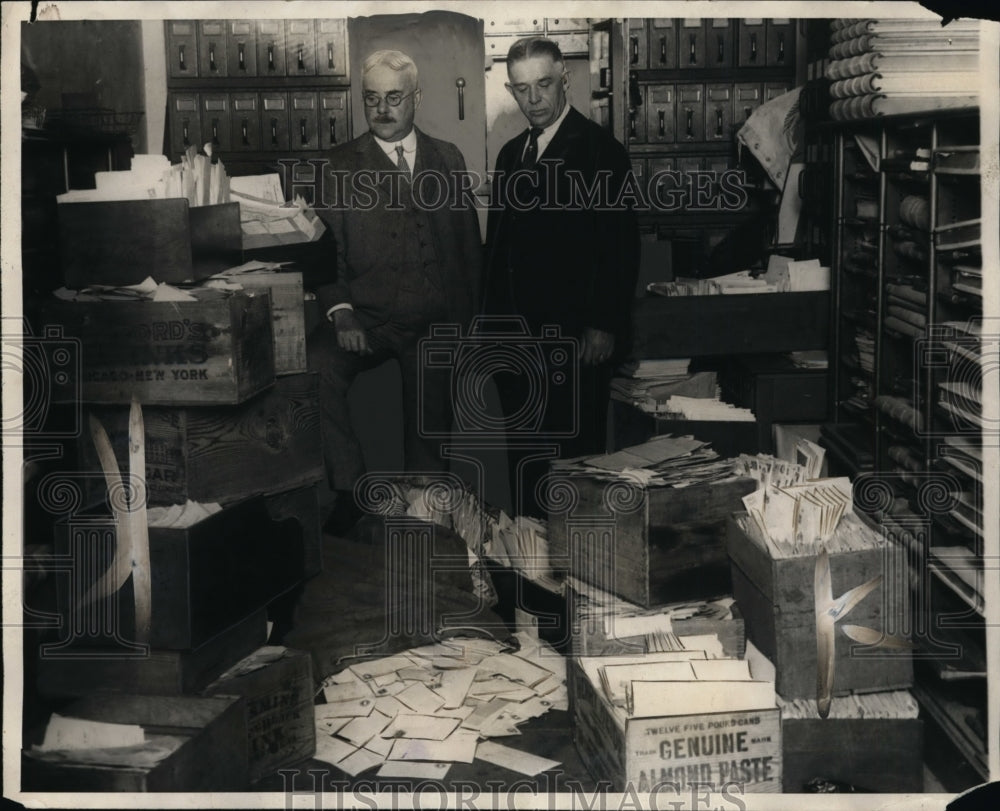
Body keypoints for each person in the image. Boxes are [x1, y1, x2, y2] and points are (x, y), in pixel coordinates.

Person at [310, 49, 482, 534]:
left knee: (433, 384)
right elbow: (325, 256)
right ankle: (350, 493)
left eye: (393, 98)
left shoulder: (447, 158)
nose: (382, 109)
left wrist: (468, 326)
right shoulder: (338, 166)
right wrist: (341, 315)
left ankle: (426, 504)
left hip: (433, 322)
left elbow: (468, 247)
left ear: (417, 98)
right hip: (367, 321)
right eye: (372, 99)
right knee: (314, 367)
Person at [484, 36, 640, 518]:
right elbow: (499, 251)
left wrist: (603, 323)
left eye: (543, 84)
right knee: (526, 467)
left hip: (576, 340)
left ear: (564, 81)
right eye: (521, 88)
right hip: (518, 343)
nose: (533, 99)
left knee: (574, 466)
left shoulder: (601, 152)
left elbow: (619, 248)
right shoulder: (511, 155)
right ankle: (533, 576)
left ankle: (575, 582)